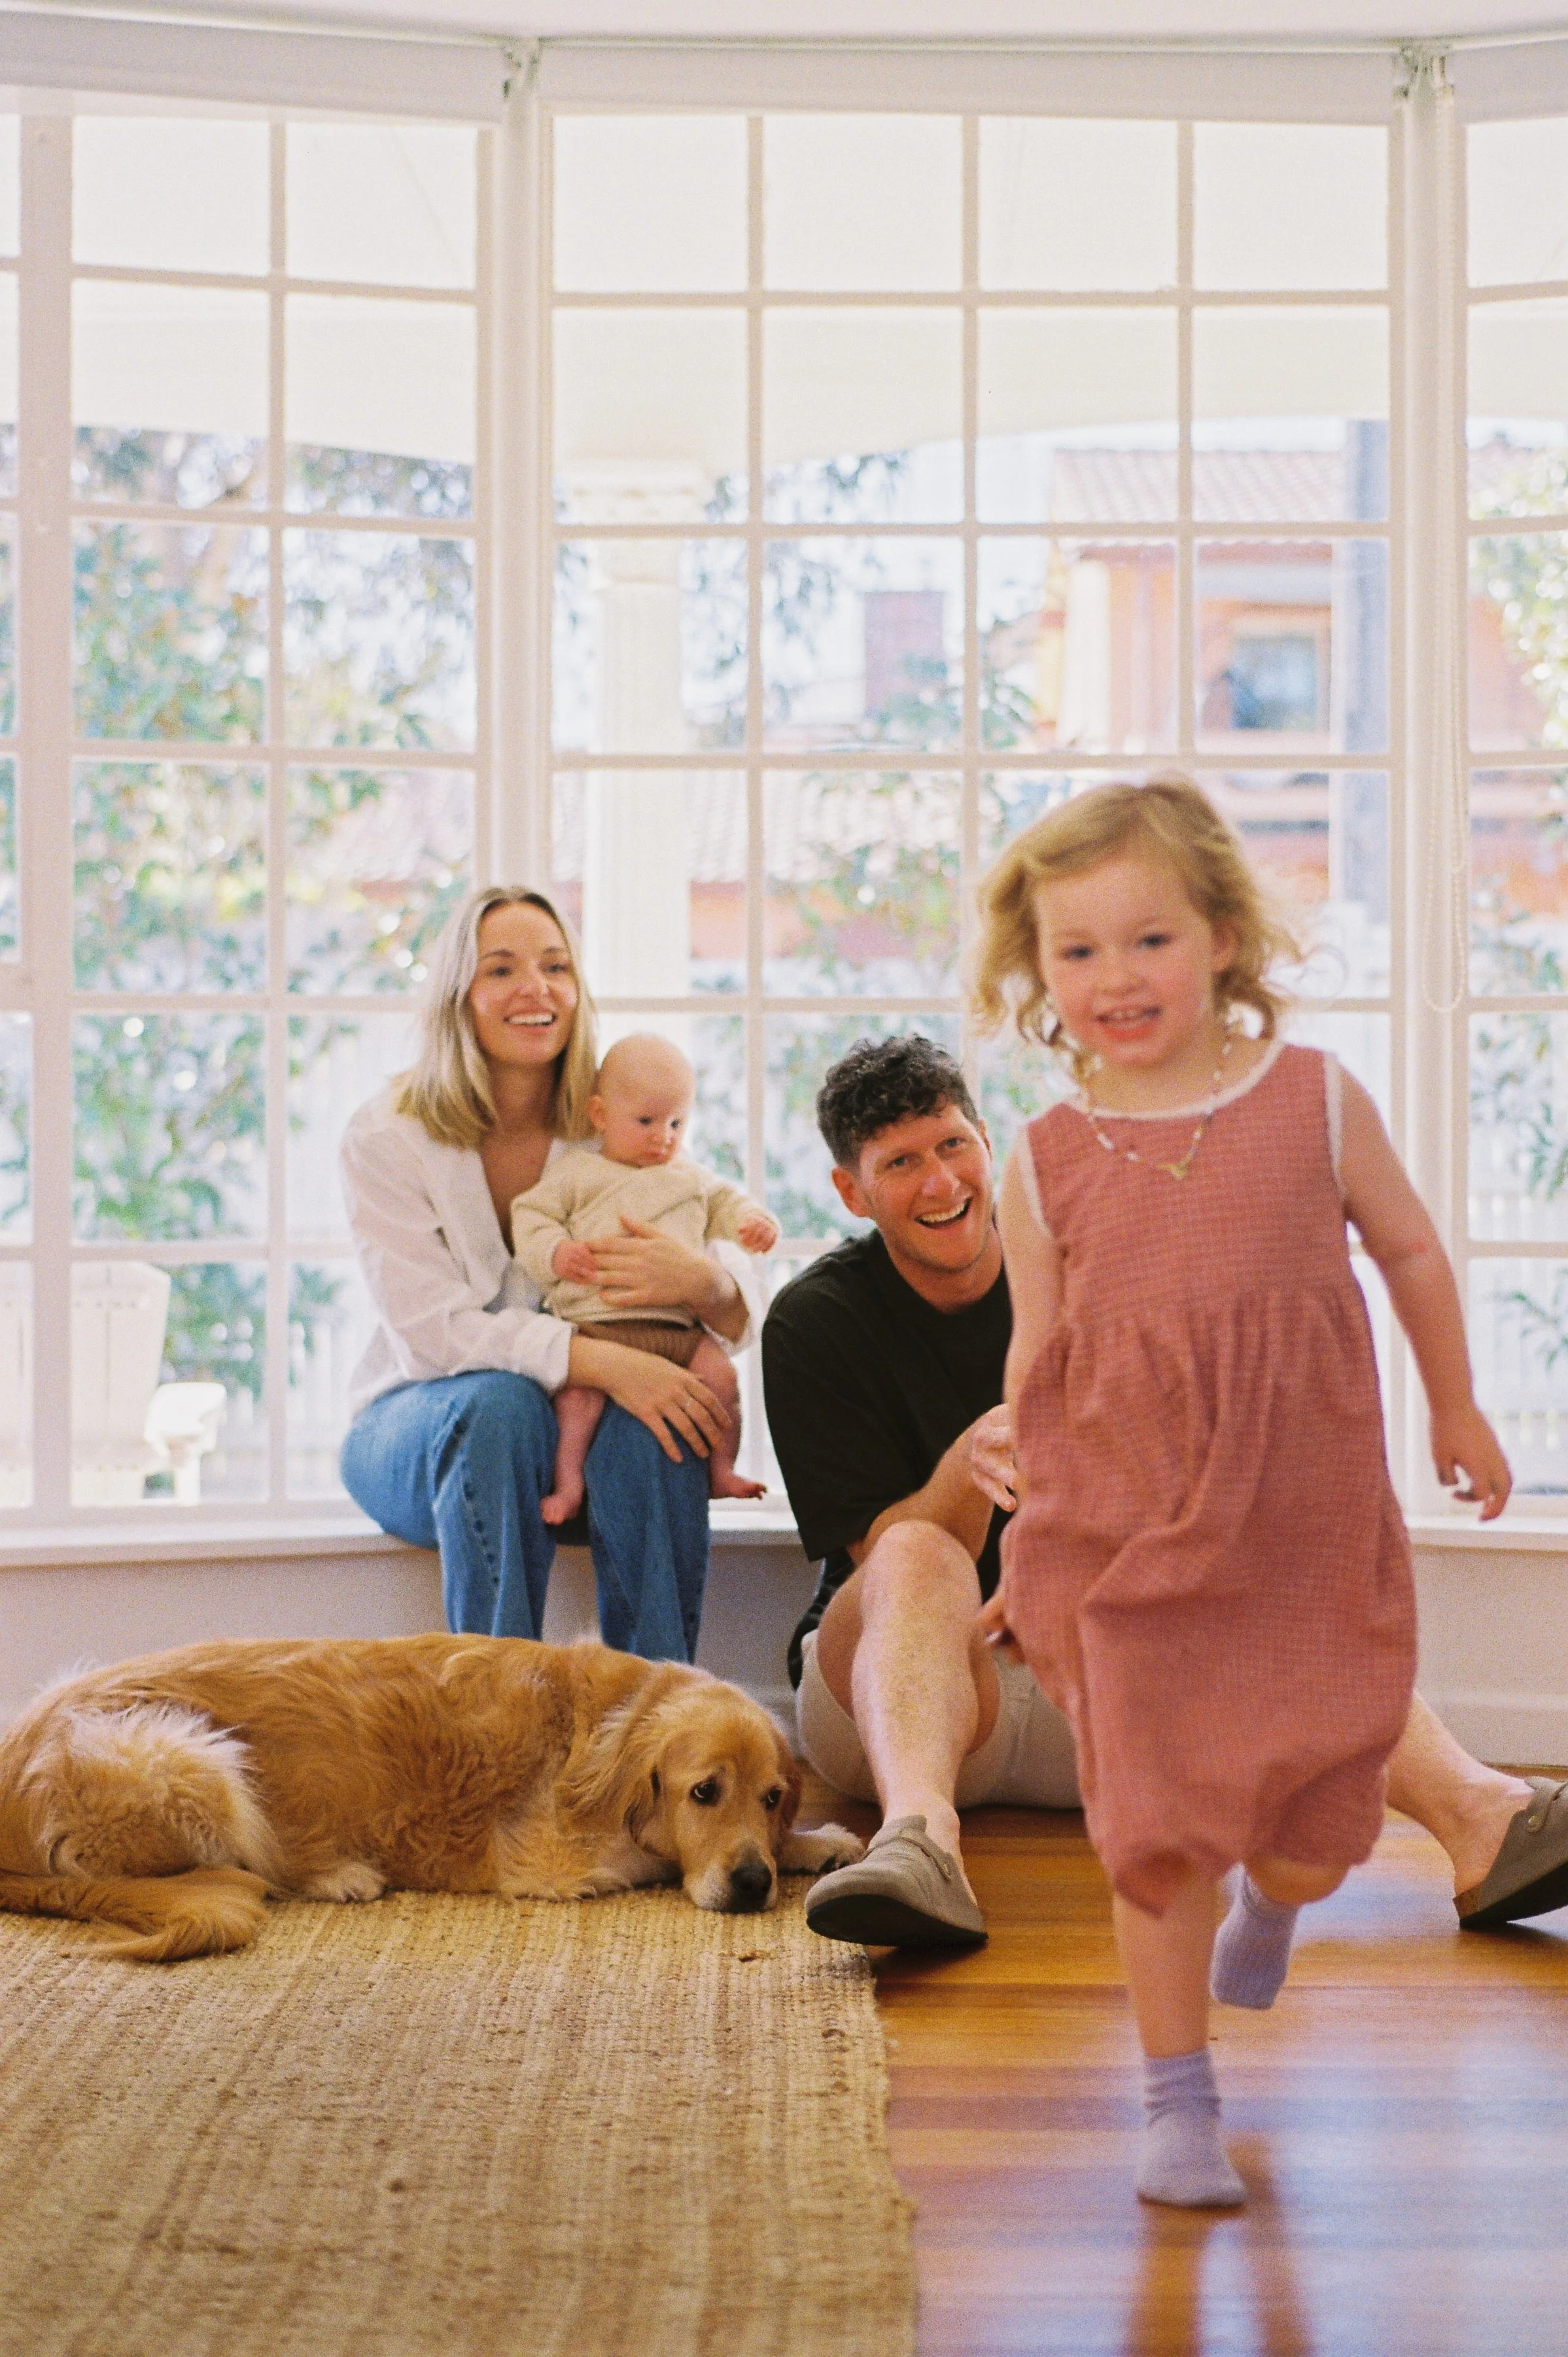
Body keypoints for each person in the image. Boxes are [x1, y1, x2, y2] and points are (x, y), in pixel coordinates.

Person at [972, 772, 1503, 2208]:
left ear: (1218, 934)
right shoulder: (1042, 1154)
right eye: (1074, 952)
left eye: (1146, 939)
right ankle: (1174, 2095)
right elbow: (1041, 1340)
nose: (1112, 977)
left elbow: (1404, 1255)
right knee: (1150, 1822)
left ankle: (1274, 1897)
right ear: (1036, 975)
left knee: (1314, 1810)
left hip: (1295, 1516)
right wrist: (1024, 1480)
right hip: (1122, 1525)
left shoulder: (1313, 1102)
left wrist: (1453, 1402)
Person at [763, 1031, 1568, 1966]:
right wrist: (967, 1464)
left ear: (987, 1142)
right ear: (852, 1193)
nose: (939, 1182)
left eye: (951, 1145)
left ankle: (1484, 1820)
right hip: (904, 1707)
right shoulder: (815, 1320)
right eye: (900, 1163)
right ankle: (919, 1843)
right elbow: (872, 1558)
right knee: (914, 1550)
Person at [337, 886, 763, 1663]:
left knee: (658, 1416)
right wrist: (602, 1360)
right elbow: (432, 1335)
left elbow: (732, 1280)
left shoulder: (619, 1118)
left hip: (580, 1441)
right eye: (501, 969)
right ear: (459, 995)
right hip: (423, 1431)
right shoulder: (387, 1133)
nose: (535, 988)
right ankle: (501, 1727)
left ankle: (658, 1722)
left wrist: (704, 1283)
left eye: (556, 965)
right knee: (501, 1407)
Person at [512, 1031, 779, 1523]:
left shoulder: (689, 1176)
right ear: (600, 1116)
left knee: (720, 1379)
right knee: (576, 1405)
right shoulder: (578, 1173)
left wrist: (751, 1223)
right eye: (646, 1121)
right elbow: (530, 1215)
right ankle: (568, 1487)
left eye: (677, 1122)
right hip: (597, 1329)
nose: (665, 1136)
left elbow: (727, 1203)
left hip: (679, 1331)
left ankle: (721, 1469)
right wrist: (556, 1252)